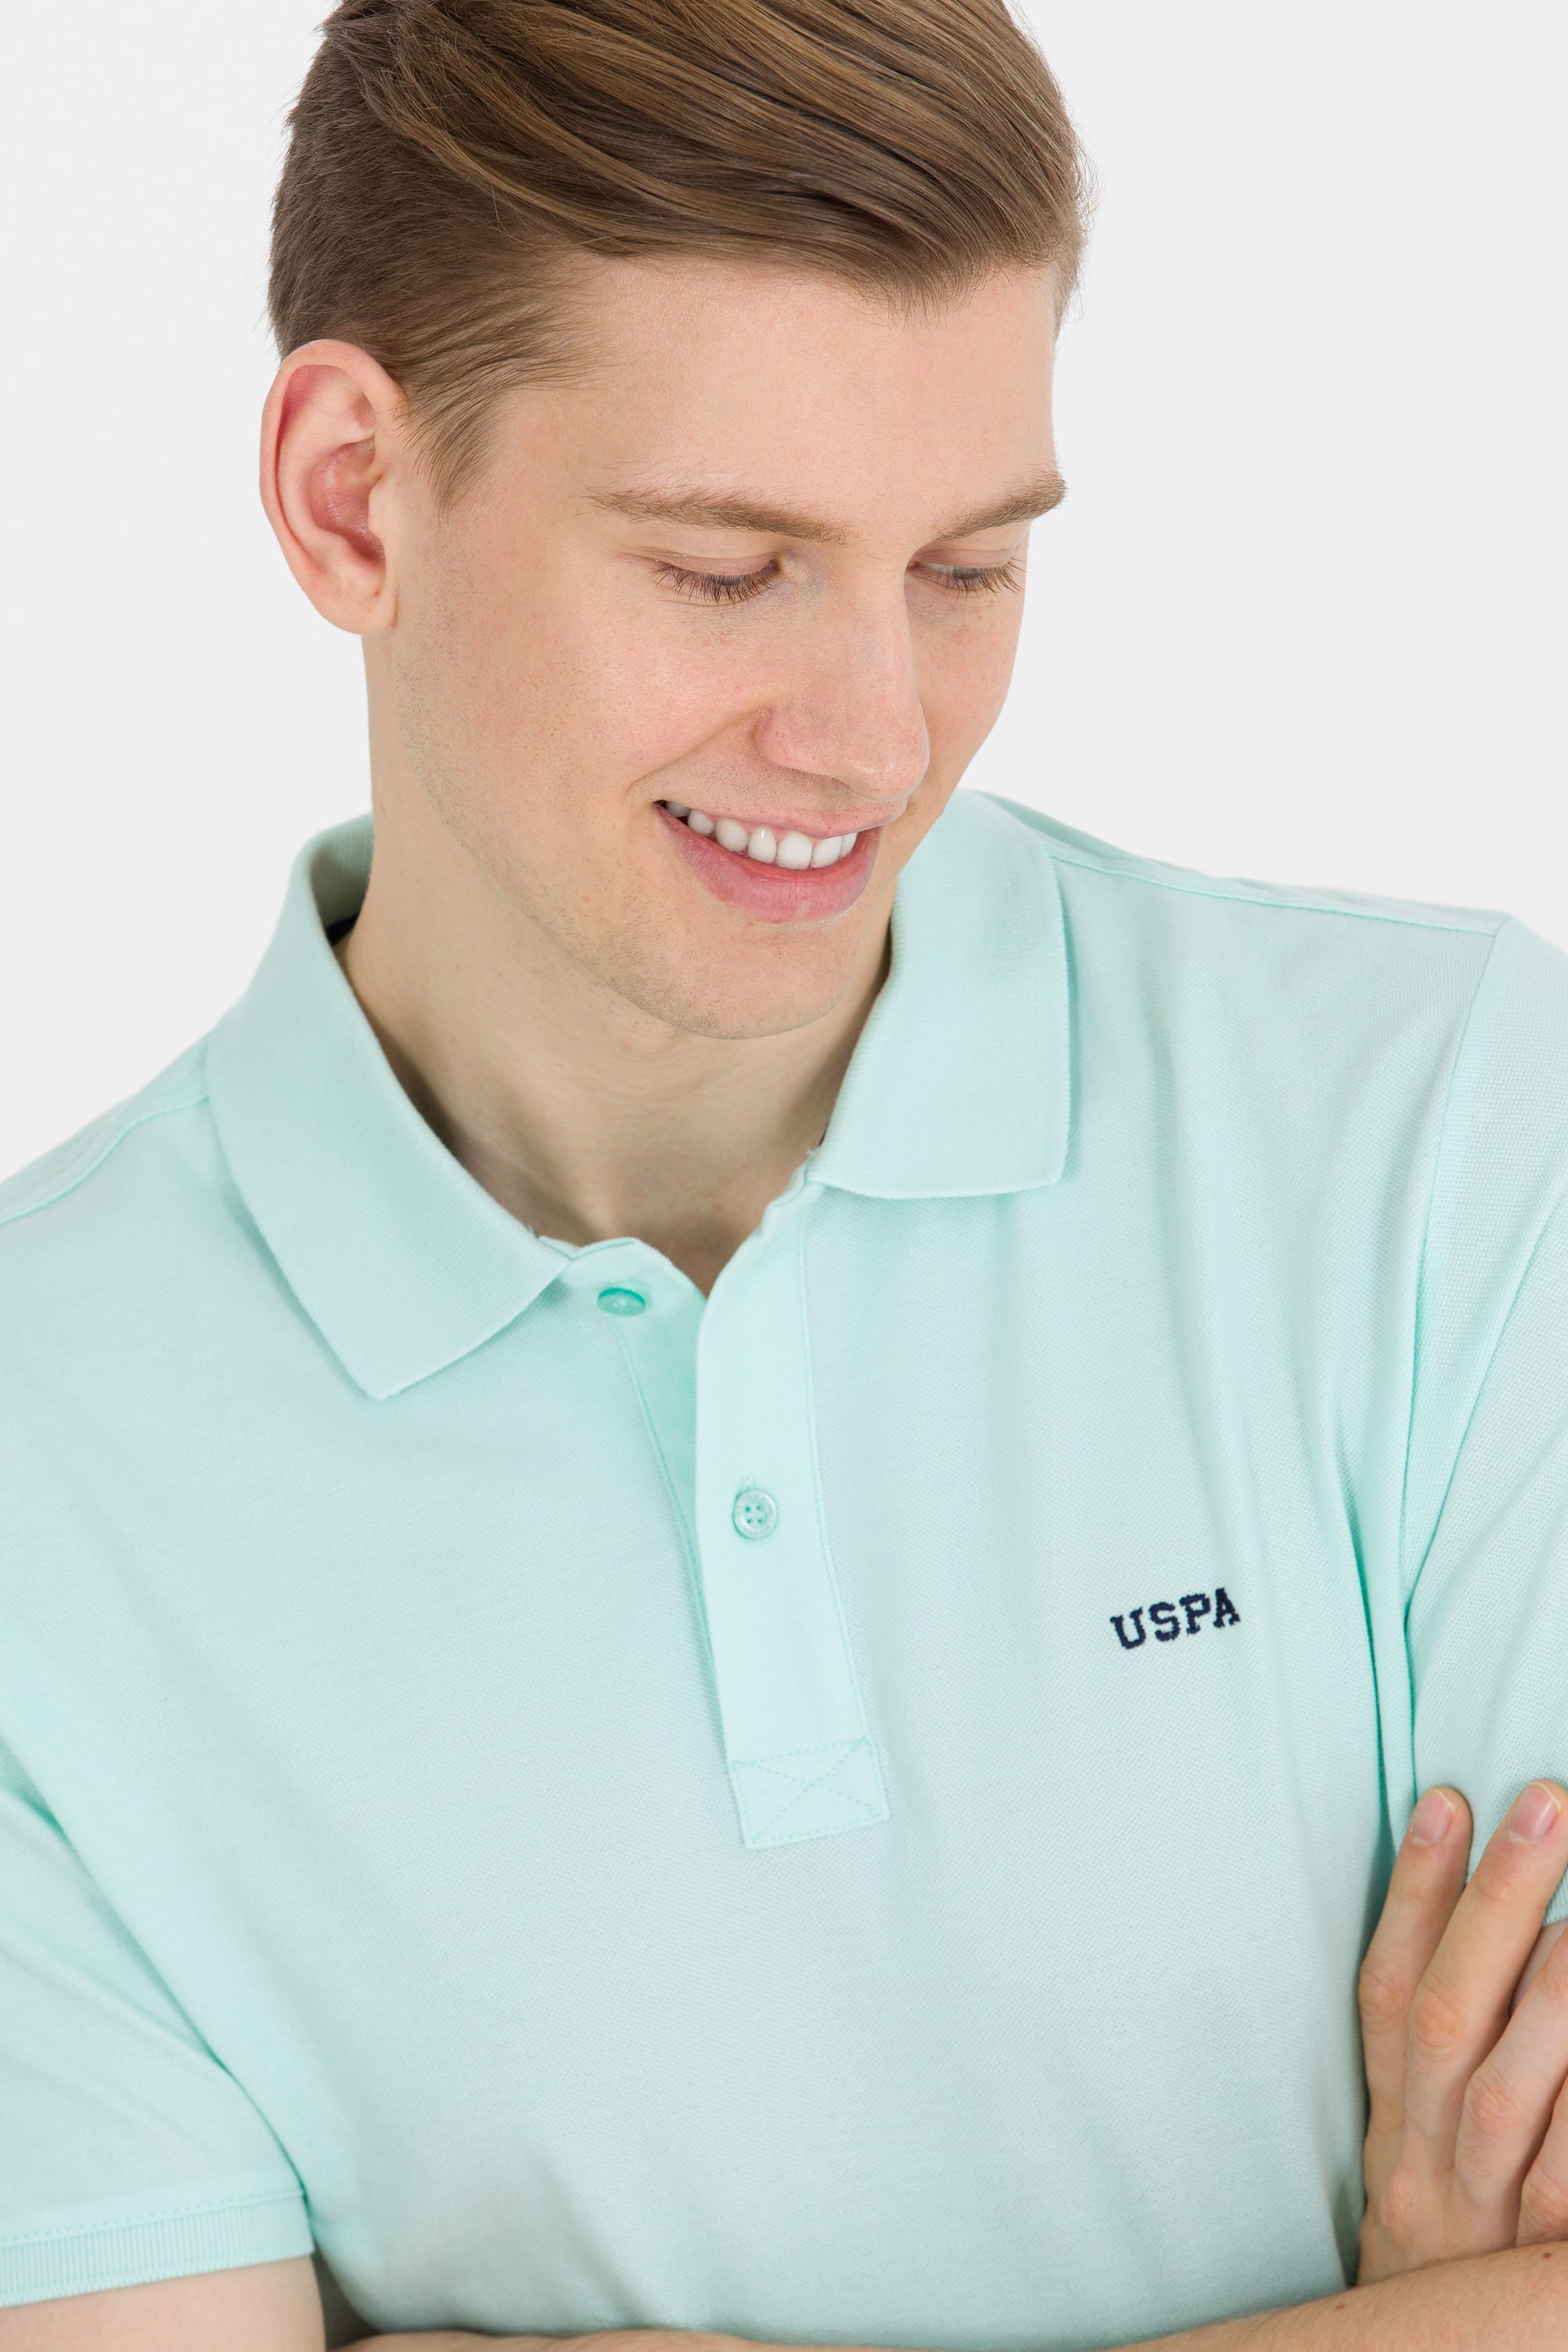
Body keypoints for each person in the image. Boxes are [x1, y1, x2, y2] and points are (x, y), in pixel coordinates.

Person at [3, 2, 1568, 2347]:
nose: (874, 736)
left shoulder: (1441, 1138)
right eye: (728, 569)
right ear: (351, 497)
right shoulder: (38, 1461)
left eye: (966, 566)